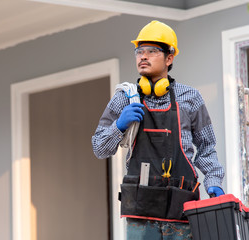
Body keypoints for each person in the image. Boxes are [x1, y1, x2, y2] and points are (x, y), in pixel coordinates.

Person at [92, 20, 225, 240]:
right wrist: (118, 125)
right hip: (140, 213)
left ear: (169, 58)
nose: (143, 56)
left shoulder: (190, 98)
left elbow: (207, 148)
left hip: (182, 210)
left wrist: (214, 182)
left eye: (152, 51)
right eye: (139, 51)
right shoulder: (125, 97)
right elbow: (99, 148)